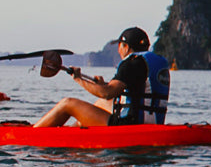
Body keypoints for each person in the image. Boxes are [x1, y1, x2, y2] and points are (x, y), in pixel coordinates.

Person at [34, 27, 171, 128]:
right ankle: (74, 132)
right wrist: (102, 85)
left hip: (129, 125)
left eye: (120, 46)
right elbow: (121, 90)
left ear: (125, 46)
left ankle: (34, 133)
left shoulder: (131, 63)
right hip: (152, 122)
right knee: (101, 103)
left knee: (67, 103)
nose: (119, 50)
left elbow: (106, 93)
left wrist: (78, 79)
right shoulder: (152, 62)